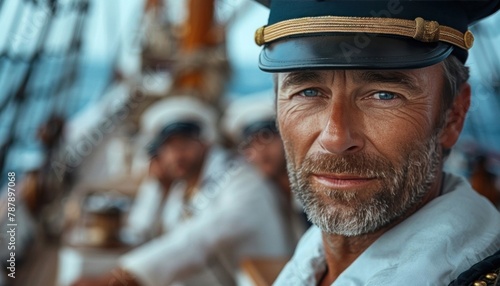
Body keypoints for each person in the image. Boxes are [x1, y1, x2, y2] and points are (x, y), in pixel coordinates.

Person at [250, 1, 500, 285]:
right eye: (308, 92)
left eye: (384, 95)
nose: (335, 138)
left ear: (453, 116)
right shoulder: (313, 257)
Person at [72, 96, 295, 286]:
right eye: (168, 147)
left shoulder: (244, 182)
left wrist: (119, 278)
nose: (177, 156)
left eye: (184, 145)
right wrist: (157, 187)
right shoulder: (182, 188)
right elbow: (148, 231)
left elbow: (198, 238)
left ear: (204, 143)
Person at [222, 93, 310, 244]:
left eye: (267, 139)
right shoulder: (268, 189)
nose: (261, 152)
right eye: (252, 144)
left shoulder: (309, 187)